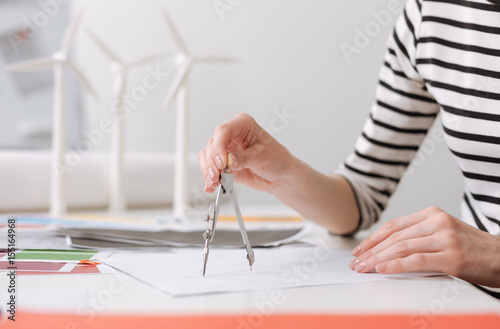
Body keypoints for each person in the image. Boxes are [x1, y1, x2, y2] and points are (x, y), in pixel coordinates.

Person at [198, 0, 500, 288]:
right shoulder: (430, 16)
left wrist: (492, 256)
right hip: (474, 303)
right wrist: (283, 172)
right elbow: (362, 196)